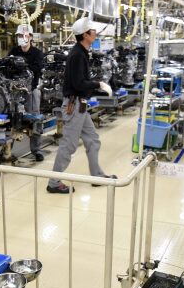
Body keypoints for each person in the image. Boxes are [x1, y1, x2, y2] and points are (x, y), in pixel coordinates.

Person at [46, 17, 115, 194]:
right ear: (85, 35)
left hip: (80, 106)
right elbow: (78, 84)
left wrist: (95, 87)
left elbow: (80, 82)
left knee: (92, 139)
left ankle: (96, 175)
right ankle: (53, 183)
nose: (96, 34)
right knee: (69, 145)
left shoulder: (82, 52)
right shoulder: (77, 55)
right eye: (93, 31)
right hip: (74, 105)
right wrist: (98, 84)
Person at [8, 23, 45, 161]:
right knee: (9, 118)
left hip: (31, 90)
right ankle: (6, 148)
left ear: (30, 37)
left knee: (35, 118)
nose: (20, 38)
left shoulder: (37, 54)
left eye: (22, 35)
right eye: (18, 35)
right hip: (14, 91)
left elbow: (37, 68)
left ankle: (36, 150)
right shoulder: (13, 51)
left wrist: (21, 65)